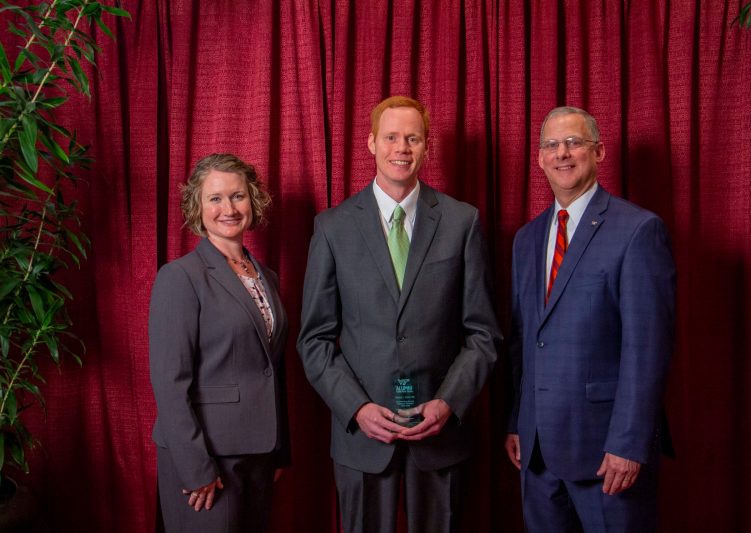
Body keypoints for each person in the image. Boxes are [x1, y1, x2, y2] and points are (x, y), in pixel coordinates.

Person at [297, 96, 501, 533]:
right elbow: (314, 339)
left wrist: (449, 403)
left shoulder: (461, 221)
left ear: (427, 148)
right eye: (391, 137)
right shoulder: (332, 227)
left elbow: (482, 333)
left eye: (413, 138)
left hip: (439, 434)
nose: (401, 147)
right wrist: (356, 408)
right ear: (371, 143)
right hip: (362, 438)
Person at [505, 107, 676, 532]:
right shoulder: (526, 240)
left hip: (607, 454)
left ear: (598, 152)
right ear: (540, 158)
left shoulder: (637, 230)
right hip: (537, 450)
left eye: (574, 142)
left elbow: (647, 350)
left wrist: (629, 443)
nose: (562, 153)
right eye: (551, 145)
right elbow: (525, 339)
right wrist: (517, 422)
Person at [149, 153, 290, 532]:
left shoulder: (268, 278)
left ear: (253, 201)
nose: (228, 208)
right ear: (197, 206)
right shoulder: (180, 277)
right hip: (207, 458)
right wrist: (195, 467)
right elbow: (169, 382)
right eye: (215, 198)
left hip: (260, 454)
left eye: (238, 196)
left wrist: (279, 451)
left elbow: (272, 368)